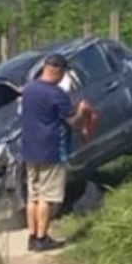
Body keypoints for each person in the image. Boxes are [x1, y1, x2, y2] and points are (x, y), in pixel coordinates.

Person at [20, 54, 90, 252]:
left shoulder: (29, 89)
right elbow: (73, 122)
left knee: (32, 196)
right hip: (50, 148)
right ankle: (42, 238)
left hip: (29, 148)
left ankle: (32, 236)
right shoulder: (56, 94)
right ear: (59, 71)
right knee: (46, 197)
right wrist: (82, 111)